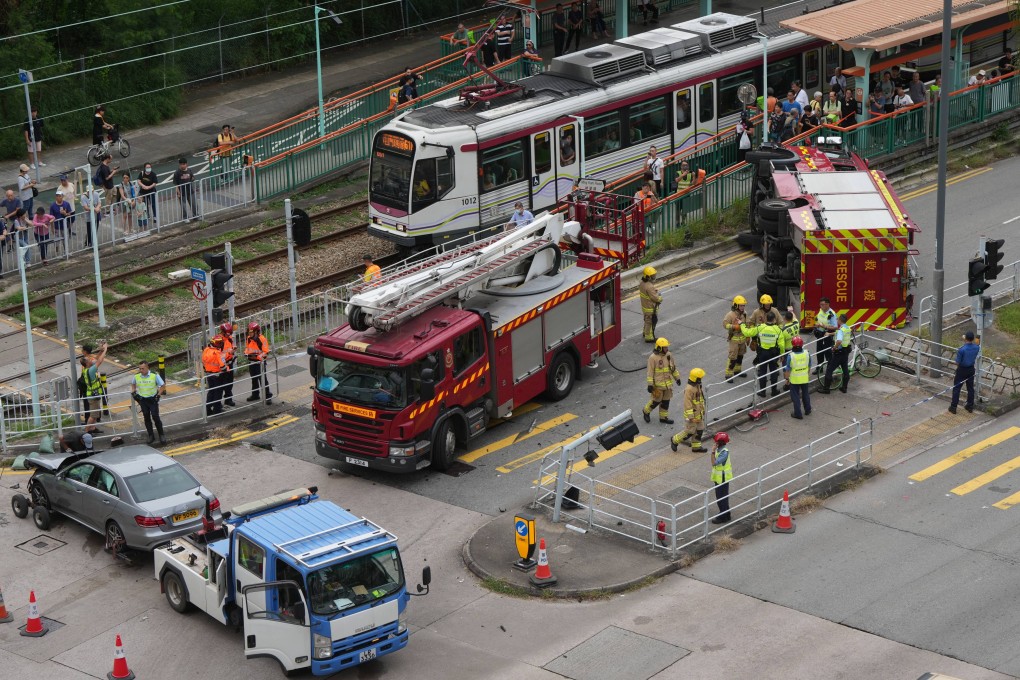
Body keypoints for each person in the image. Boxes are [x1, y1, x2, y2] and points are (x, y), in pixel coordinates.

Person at [741, 309, 785, 398]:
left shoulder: (760, 327)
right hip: (773, 354)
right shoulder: (778, 330)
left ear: (766, 319)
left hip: (763, 354)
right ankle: (774, 391)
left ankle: (762, 392)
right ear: (774, 320)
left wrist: (741, 324)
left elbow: (747, 332)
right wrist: (782, 354)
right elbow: (781, 344)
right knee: (774, 372)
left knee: (762, 372)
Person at [643, 338, 681, 425]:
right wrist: (650, 385)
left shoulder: (669, 355)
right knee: (655, 401)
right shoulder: (652, 358)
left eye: (667, 347)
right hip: (658, 385)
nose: (667, 349)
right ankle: (646, 411)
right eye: (665, 347)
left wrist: (677, 378)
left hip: (668, 385)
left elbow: (673, 368)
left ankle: (663, 418)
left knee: (666, 402)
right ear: (659, 348)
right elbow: (650, 372)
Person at [670, 368, 707, 453]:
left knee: (699, 430)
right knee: (689, 431)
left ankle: (696, 447)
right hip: (692, 415)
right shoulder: (689, 389)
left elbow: (700, 399)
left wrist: (703, 409)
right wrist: (690, 417)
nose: (700, 380)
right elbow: (687, 404)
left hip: (699, 414)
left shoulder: (697, 385)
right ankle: (674, 440)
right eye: (699, 378)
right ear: (695, 378)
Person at [131, 360, 166, 445]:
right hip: (143, 400)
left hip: (152, 400)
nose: (141, 370)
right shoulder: (137, 376)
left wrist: (158, 395)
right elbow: (133, 384)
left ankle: (161, 435)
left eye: (143, 368)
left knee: (155, 417)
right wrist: (134, 392)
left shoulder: (154, 375)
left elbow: (163, 385)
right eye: (140, 369)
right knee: (146, 417)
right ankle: (151, 435)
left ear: (147, 368)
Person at [819, 313, 852, 394]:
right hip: (845, 352)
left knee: (829, 369)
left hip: (838, 353)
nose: (837, 320)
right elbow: (839, 333)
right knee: (845, 370)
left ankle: (826, 389)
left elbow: (839, 340)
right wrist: (830, 334)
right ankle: (844, 388)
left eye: (838, 319)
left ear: (840, 320)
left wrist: (834, 347)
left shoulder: (841, 330)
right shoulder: (847, 328)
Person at [949, 331, 980, 414]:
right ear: (973, 339)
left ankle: (953, 407)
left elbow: (957, 362)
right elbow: (977, 343)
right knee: (970, 388)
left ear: (965, 338)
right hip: (971, 369)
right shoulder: (976, 348)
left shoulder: (962, 349)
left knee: (957, 388)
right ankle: (970, 406)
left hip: (962, 370)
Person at [80, 342, 108, 426]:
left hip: (88, 389)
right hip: (92, 391)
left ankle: (91, 426)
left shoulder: (86, 361)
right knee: (92, 411)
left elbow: (96, 359)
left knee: (89, 408)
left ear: (84, 351)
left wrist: (101, 352)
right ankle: (89, 428)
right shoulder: (89, 362)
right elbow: (98, 360)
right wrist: (104, 350)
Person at [784, 336, 812, 419]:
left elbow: (788, 369)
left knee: (795, 397)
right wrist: (807, 374)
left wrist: (787, 379)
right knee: (805, 394)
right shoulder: (807, 353)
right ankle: (808, 410)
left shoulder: (790, 356)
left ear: (792, 344)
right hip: (804, 378)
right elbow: (809, 366)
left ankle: (798, 414)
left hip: (794, 380)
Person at [723, 295, 748, 382]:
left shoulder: (744, 313)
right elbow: (725, 325)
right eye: (741, 305)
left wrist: (748, 336)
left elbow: (747, 324)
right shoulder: (730, 315)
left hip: (742, 339)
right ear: (736, 305)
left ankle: (737, 371)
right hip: (734, 339)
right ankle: (728, 374)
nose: (743, 307)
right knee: (733, 357)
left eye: (743, 305)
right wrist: (734, 327)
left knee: (740, 356)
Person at [245, 322, 273, 403]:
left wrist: (257, 357)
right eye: (249, 332)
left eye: (251, 332)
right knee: (254, 379)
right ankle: (255, 395)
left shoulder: (262, 339)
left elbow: (265, 352)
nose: (249, 333)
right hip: (251, 362)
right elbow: (247, 348)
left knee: (263, 380)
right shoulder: (249, 338)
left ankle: (268, 396)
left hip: (259, 363)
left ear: (256, 332)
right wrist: (246, 353)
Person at [708, 432, 732, 524]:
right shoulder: (721, 450)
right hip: (720, 477)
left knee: (721, 498)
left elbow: (714, 463)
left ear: (718, 443)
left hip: (722, 478)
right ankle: (727, 514)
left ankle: (723, 516)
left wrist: (712, 451)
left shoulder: (723, 452)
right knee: (722, 497)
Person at [203, 336, 227, 416]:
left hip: (208, 374)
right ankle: (217, 410)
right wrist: (227, 368)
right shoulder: (217, 353)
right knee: (218, 392)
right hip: (217, 375)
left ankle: (208, 409)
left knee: (211, 391)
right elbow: (223, 366)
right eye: (218, 343)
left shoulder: (206, 350)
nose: (220, 344)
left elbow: (203, 362)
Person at [813, 297, 837, 374]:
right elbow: (818, 319)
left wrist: (825, 327)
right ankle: (819, 368)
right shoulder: (821, 310)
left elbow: (835, 327)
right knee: (819, 351)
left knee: (828, 353)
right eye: (820, 304)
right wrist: (817, 325)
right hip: (819, 334)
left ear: (827, 304)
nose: (821, 306)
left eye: (822, 304)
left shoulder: (831, 314)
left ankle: (829, 369)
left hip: (827, 335)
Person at [216, 322, 237, 407]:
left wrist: (232, 350)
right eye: (228, 334)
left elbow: (228, 349)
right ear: (223, 332)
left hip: (229, 363)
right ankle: (218, 403)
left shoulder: (229, 338)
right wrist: (230, 352)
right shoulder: (219, 341)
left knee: (229, 383)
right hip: (223, 366)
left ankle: (228, 399)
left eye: (230, 333)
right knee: (221, 385)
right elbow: (219, 355)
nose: (229, 335)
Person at [639, 266, 661, 342]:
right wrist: (660, 298)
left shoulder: (642, 283)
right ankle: (649, 337)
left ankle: (645, 332)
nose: (654, 277)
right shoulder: (649, 286)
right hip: (650, 308)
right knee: (651, 322)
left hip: (645, 307)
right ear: (648, 276)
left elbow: (646, 292)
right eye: (652, 276)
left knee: (647, 320)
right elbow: (656, 298)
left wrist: (653, 290)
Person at [49, 189, 72, 256]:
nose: (59, 197)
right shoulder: (53, 206)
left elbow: (69, 214)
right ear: (56, 197)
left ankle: (66, 252)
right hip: (57, 226)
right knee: (57, 241)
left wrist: (65, 214)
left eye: (60, 196)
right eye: (57, 196)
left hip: (65, 226)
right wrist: (52, 228)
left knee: (65, 240)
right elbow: (51, 217)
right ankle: (57, 253)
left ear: (62, 196)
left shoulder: (66, 204)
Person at [173, 157, 197, 222]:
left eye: (184, 164)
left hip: (190, 190)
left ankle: (196, 216)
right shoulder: (177, 173)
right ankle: (185, 217)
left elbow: (193, 177)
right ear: (179, 165)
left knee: (194, 204)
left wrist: (192, 179)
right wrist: (178, 192)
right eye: (181, 164)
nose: (182, 165)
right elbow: (176, 184)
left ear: (186, 164)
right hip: (181, 192)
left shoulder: (189, 170)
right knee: (183, 206)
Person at [81, 183, 103, 248]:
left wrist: (98, 208)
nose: (90, 192)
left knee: (95, 229)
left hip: (96, 215)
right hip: (89, 217)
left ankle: (93, 243)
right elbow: (85, 207)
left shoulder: (96, 194)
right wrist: (94, 209)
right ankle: (88, 243)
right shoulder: (83, 197)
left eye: (92, 191)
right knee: (89, 230)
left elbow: (99, 203)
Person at [138, 163, 158, 227]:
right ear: (144, 168)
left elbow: (154, 183)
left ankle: (155, 216)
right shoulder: (141, 173)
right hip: (143, 192)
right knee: (145, 204)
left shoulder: (153, 174)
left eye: (149, 167)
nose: (148, 168)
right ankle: (147, 215)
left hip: (151, 191)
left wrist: (148, 187)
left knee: (153, 204)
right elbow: (139, 181)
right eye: (147, 167)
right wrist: (143, 186)